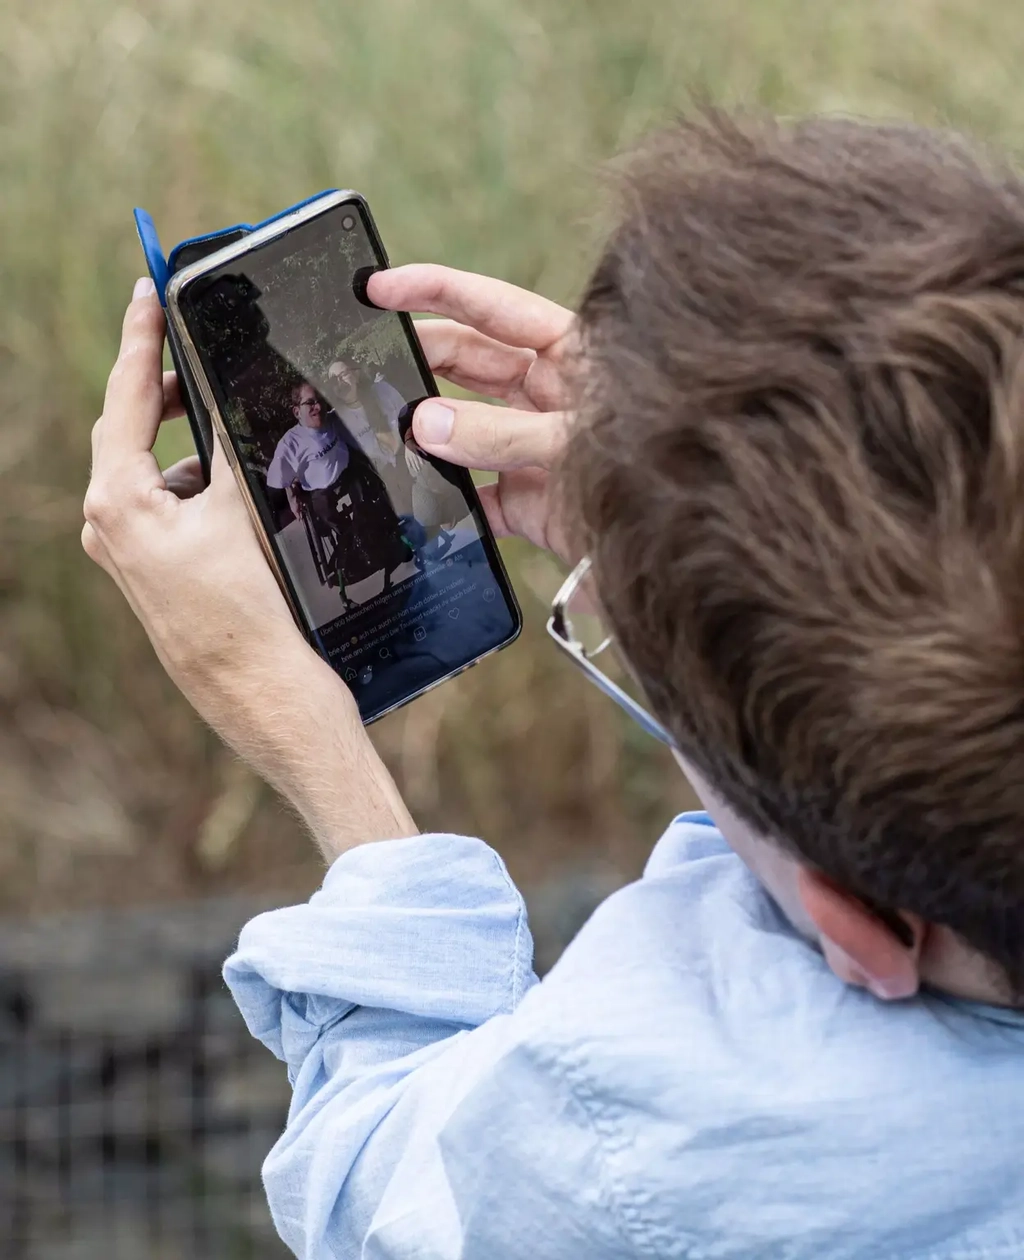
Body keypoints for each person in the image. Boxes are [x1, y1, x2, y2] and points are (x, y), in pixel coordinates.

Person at [83, 111, 1024, 1259]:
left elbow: (385, 1179)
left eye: (628, 657)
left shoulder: (636, 1146)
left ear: (862, 932)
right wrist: (670, 477)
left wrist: (298, 727)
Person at [266, 379, 411, 604]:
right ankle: (351, 553)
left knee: (369, 497)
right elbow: (284, 480)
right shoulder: (290, 444)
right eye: (310, 403)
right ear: (297, 411)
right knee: (330, 519)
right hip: (319, 489)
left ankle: (382, 539)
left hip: (347, 473)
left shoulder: (334, 419)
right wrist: (293, 502)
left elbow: (362, 429)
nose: (317, 407)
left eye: (319, 401)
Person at [328, 355, 464, 553]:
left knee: (423, 473)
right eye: (334, 380)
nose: (340, 382)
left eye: (343, 374)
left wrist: (409, 442)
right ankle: (434, 517)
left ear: (356, 375)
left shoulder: (382, 390)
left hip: (406, 453)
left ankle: (443, 508)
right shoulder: (338, 421)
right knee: (418, 512)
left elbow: (410, 417)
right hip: (384, 472)